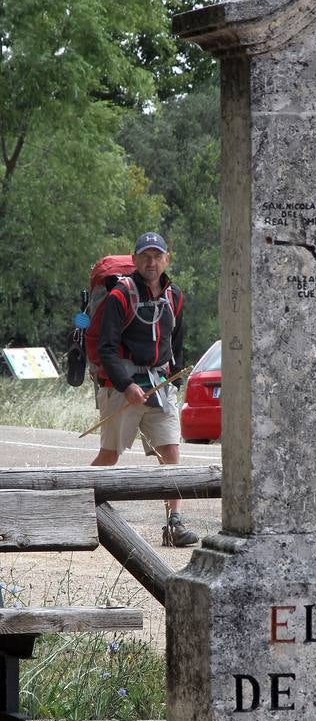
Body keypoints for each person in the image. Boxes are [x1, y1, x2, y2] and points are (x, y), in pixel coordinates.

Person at [90, 232, 198, 547]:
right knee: (109, 456)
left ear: (167, 259)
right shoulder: (120, 296)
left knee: (171, 453)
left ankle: (174, 525)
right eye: (145, 256)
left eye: (157, 256)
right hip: (121, 387)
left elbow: (176, 345)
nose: (151, 262)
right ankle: (76, 506)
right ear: (136, 260)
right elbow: (107, 349)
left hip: (160, 388)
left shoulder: (174, 296)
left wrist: (174, 383)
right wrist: (126, 386)